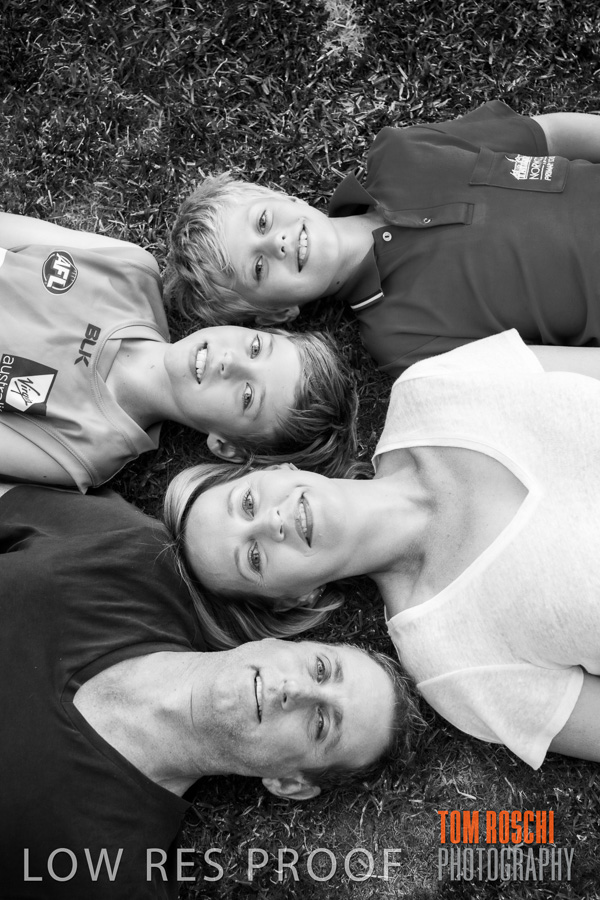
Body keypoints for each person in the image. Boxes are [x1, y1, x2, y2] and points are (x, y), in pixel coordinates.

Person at [164, 331, 600, 770]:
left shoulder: (433, 385)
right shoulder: (450, 662)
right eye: (254, 557)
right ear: (294, 598)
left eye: (247, 503)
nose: (269, 522)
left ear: (278, 468)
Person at [0, 482, 409, 899]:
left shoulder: (110, 878)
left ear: (290, 783)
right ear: (286, 643)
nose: (296, 690)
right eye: (320, 669)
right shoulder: (133, 555)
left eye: (320, 723)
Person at [166, 101, 600, 375]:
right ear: (278, 314)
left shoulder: (402, 153)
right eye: (258, 268)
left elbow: (550, 135)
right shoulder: (401, 343)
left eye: (262, 222)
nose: (275, 243)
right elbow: (549, 370)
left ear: (284, 197)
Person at [0, 213, 357, 488]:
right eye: (255, 348)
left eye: (247, 396)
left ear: (227, 446)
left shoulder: (85, 452)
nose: (229, 361)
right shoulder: (130, 269)